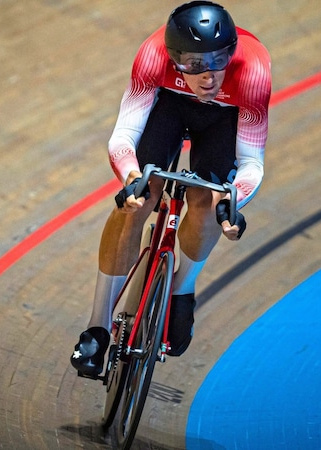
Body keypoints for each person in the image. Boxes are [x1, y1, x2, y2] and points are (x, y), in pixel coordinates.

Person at [71, 1, 271, 377]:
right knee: (140, 198)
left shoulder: (253, 71)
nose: (208, 76)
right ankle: (97, 327)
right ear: (173, 58)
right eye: (194, 64)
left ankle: (182, 288)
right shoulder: (152, 56)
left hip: (221, 120)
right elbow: (125, 135)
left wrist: (233, 202)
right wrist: (132, 177)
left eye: (217, 61)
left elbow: (252, 161)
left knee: (208, 202)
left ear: (231, 53)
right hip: (169, 106)